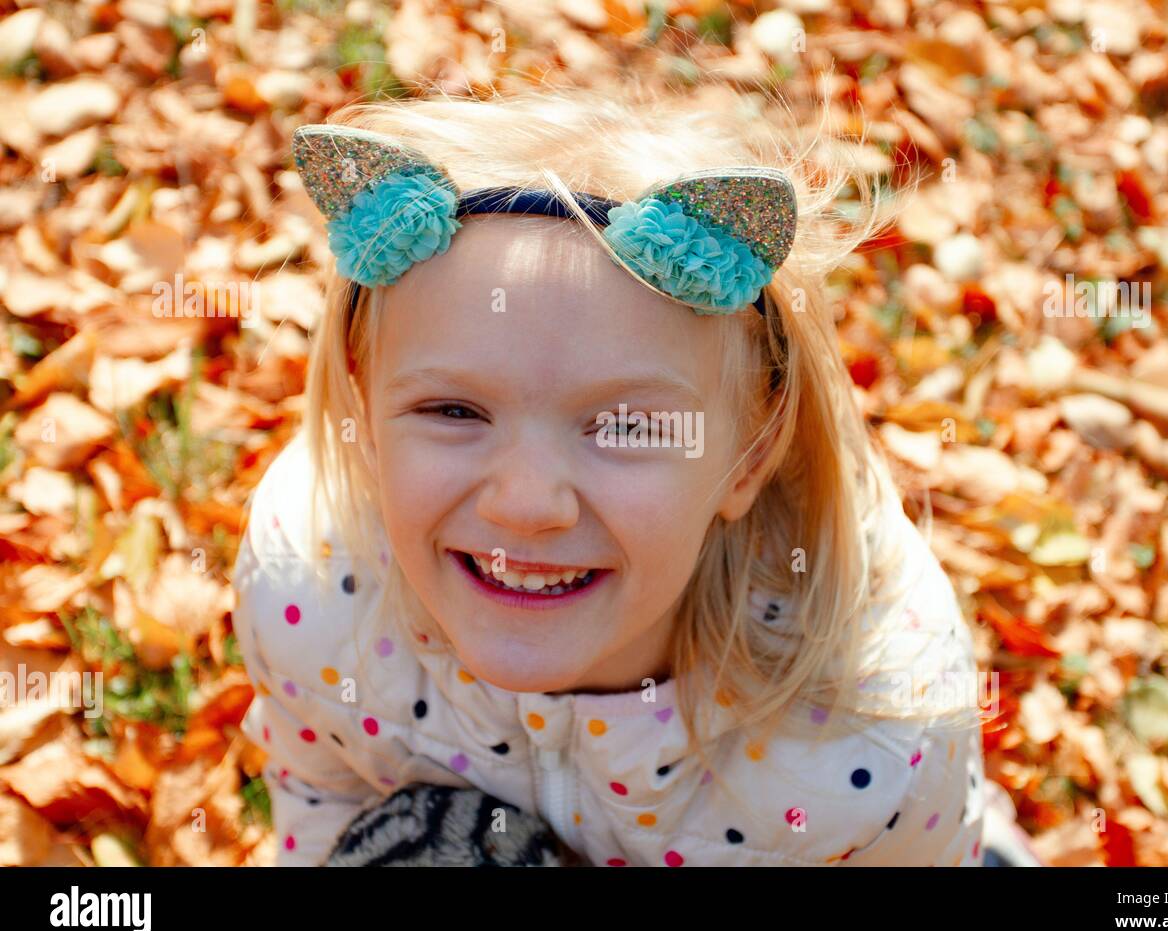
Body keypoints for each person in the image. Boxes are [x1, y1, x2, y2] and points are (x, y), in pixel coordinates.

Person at [233, 85, 990, 866]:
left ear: (752, 451)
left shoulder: (872, 738)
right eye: (454, 411)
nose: (527, 504)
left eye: (626, 426)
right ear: (363, 406)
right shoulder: (312, 590)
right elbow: (325, 797)